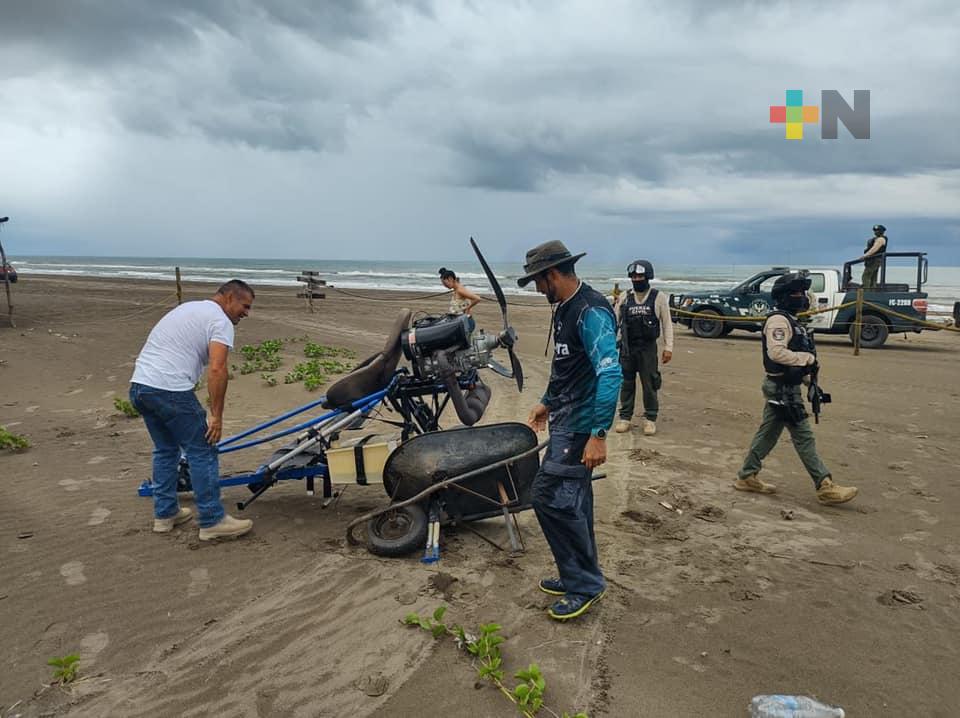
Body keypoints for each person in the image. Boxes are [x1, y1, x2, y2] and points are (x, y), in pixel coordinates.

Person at [519, 240, 622, 621]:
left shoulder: (591, 312)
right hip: (565, 420)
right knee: (573, 501)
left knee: (548, 498)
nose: (536, 289)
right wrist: (547, 402)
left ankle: (585, 584)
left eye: (537, 281)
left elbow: (610, 372)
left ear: (552, 274)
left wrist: (598, 434)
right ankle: (578, 574)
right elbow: (567, 369)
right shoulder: (564, 308)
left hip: (581, 427)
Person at [129, 279, 256, 541]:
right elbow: (218, 369)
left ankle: (165, 515)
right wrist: (216, 417)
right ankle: (212, 520)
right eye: (245, 306)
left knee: (166, 450)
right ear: (230, 297)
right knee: (203, 449)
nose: (246, 312)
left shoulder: (189, 309)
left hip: (140, 386)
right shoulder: (219, 320)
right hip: (168, 389)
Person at [734, 273, 858, 505]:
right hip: (781, 389)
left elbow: (791, 360)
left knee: (768, 434)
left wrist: (810, 382)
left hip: (787, 386)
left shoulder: (792, 322)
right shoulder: (779, 321)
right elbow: (777, 353)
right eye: (795, 293)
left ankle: (746, 475)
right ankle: (824, 485)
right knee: (803, 436)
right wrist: (807, 359)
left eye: (802, 293)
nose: (801, 297)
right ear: (783, 297)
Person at [612, 260, 674, 436]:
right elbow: (614, 322)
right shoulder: (625, 297)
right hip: (627, 348)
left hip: (647, 349)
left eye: (640, 276)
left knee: (650, 384)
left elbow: (667, 324)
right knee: (626, 383)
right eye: (634, 276)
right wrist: (610, 344)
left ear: (648, 277)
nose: (637, 279)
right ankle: (625, 418)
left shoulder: (659, 297)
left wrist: (668, 347)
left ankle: (650, 419)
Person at [860, 224, 888, 289]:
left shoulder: (881, 239)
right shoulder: (876, 239)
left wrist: (865, 255)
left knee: (866, 276)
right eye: (875, 230)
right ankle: (872, 290)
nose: (876, 232)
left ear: (882, 231)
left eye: (878, 230)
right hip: (872, 260)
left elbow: (874, 249)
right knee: (873, 277)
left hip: (875, 260)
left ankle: (867, 292)